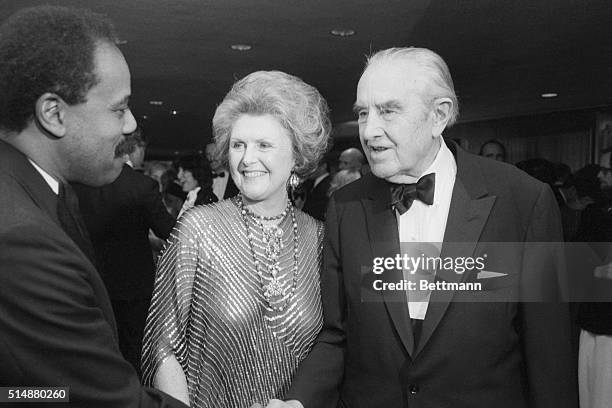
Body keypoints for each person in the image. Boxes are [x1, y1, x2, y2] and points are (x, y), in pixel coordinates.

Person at [276, 47, 577, 408]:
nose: (370, 131)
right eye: (362, 114)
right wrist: (297, 401)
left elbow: (549, 354)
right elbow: (337, 335)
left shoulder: (524, 202)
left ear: (439, 115)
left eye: (388, 110)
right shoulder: (346, 207)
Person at [0, 6, 186, 407]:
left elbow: (34, 394)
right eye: (119, 109)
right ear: (54, 113)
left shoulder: (42, 190)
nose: (132, 124)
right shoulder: (21, 241)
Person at [141, 70, 331, 408]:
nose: (246, 159)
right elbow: (162, 347)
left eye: (264, 145)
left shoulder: (320, 239)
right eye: (238, 145)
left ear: (297, 158)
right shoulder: (198, 229)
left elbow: (334, 347)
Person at [73, 128, 176, 377]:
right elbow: (169, 232)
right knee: (135, 349)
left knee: (102, 347)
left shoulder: (81, 183)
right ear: (134, 149)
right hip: (134, 285)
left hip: (93, 282)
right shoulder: (142, 186)